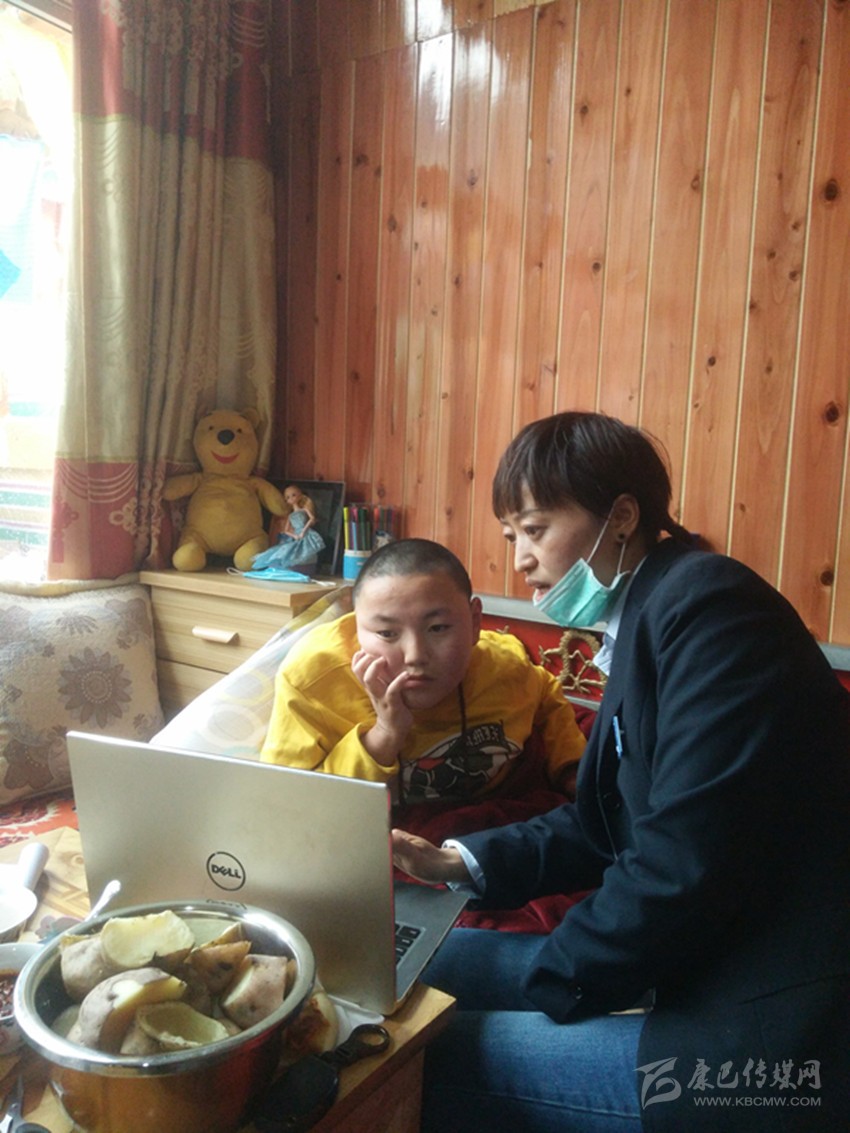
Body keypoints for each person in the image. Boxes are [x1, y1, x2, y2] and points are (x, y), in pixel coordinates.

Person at [392, 412, 850, 1131]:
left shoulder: (711, 609)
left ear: (623, 517)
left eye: (535, 529)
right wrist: (458, 862)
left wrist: (555, 976)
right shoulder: (650, 616)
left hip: (772, 1032)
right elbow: (603, 823)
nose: (521, 559)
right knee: (421, 958)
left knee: (415, 1054)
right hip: (709, 966)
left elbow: (682, 863)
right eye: (511, 536)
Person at [261, 537, 586, 804]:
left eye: (438, 628)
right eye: (387, 633)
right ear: (356, 627)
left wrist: (569, 768)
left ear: (475, 623)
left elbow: (548, 696)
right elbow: (289, 802)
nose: (415, 656)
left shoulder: (504, 666)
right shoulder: (312, 679)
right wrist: (385, 733)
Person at [250, 484, 325, 571]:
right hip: (296, 535)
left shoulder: (304, 510)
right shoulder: (290, 516)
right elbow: (286, 531)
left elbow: (312, 519)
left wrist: (303, 531)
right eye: (288, 497)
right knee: (286, 550)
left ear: (300, 495)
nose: (291, 498)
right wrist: (294, 535)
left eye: (294, 495)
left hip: (306, 533)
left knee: (305, 550)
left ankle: (305, 567)